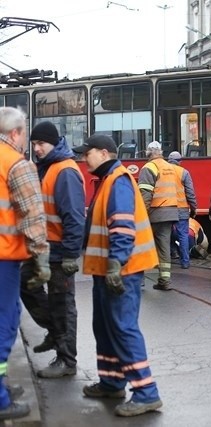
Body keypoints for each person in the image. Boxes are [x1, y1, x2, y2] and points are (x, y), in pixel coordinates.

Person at [72, 134, 162, 417]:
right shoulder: (108, 180)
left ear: (103, 152)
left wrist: (116, 264)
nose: (83, 158)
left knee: (123, 327)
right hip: (108, 270)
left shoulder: (118, 180)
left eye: (87, 153)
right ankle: (112, 381)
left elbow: (122, 227)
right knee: (105, 326)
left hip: (121, 270)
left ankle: (147, 393)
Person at [20, 121, 85, 379]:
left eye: (41, 144)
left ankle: (67, 360)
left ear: (54, 142)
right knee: (26, 285)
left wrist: (70, 254)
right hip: (43, 248)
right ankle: (55, 332)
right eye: (33, 144)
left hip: (59, 251)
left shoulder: (64, 171)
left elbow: (74, 217)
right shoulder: (46, 168)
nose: (36, 148)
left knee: (62, 303)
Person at [0, 107, 50, 420]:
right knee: (4, 324)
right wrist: (41, 256)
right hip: (4, 258)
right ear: (16, 133)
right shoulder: (16, 164)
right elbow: (32, 213)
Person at [138, 141, 178, 290]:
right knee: (164, 247)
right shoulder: (170, 167)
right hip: (171, 212)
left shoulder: (149, 167)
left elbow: (145, 195)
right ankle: (165, 281)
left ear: (148, 154)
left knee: (142, 245)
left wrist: (141, 215)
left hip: (155, 212)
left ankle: (139, 280)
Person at [167, 151, 197, 269]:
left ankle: (168, 258)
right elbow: (190, 193)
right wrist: (194, 207)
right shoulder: (184, 172)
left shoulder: (162, 172)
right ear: (180, 162)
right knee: (183, 236)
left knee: (165, 234)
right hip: (181, 209)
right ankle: (184, 262)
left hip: (165, 208)